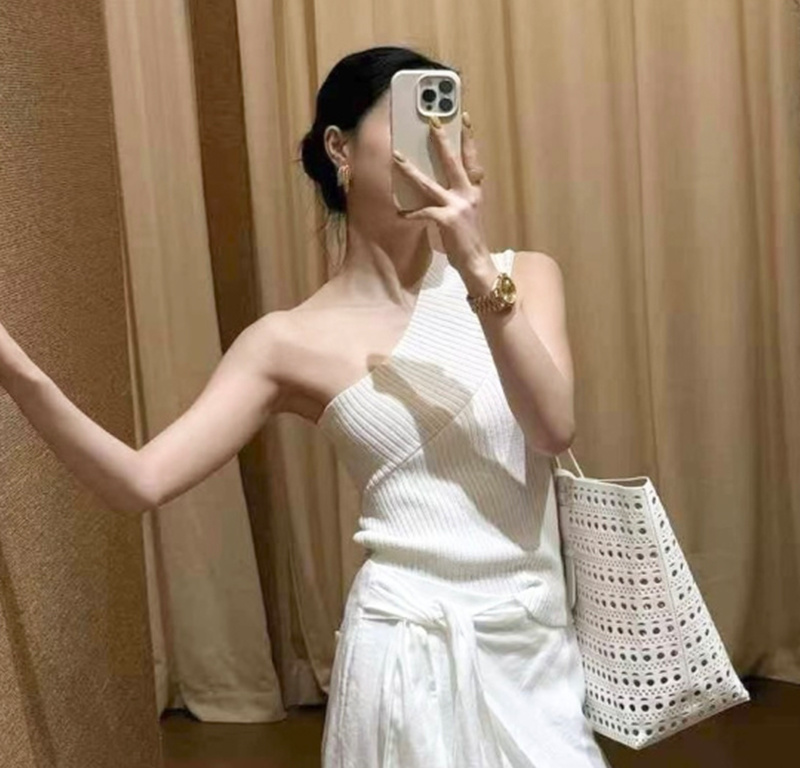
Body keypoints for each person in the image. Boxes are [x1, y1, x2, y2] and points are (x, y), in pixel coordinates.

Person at [0, 45, 612, 767]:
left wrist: (475, 263)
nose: (439, 145)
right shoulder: (286, 341)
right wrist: (19, 372)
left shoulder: (522, 278)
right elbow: (140, 481)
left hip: (534, 651)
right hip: (402, 656)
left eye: (451, 124)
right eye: (413, 122)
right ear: (339, 149)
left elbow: (552, 428)